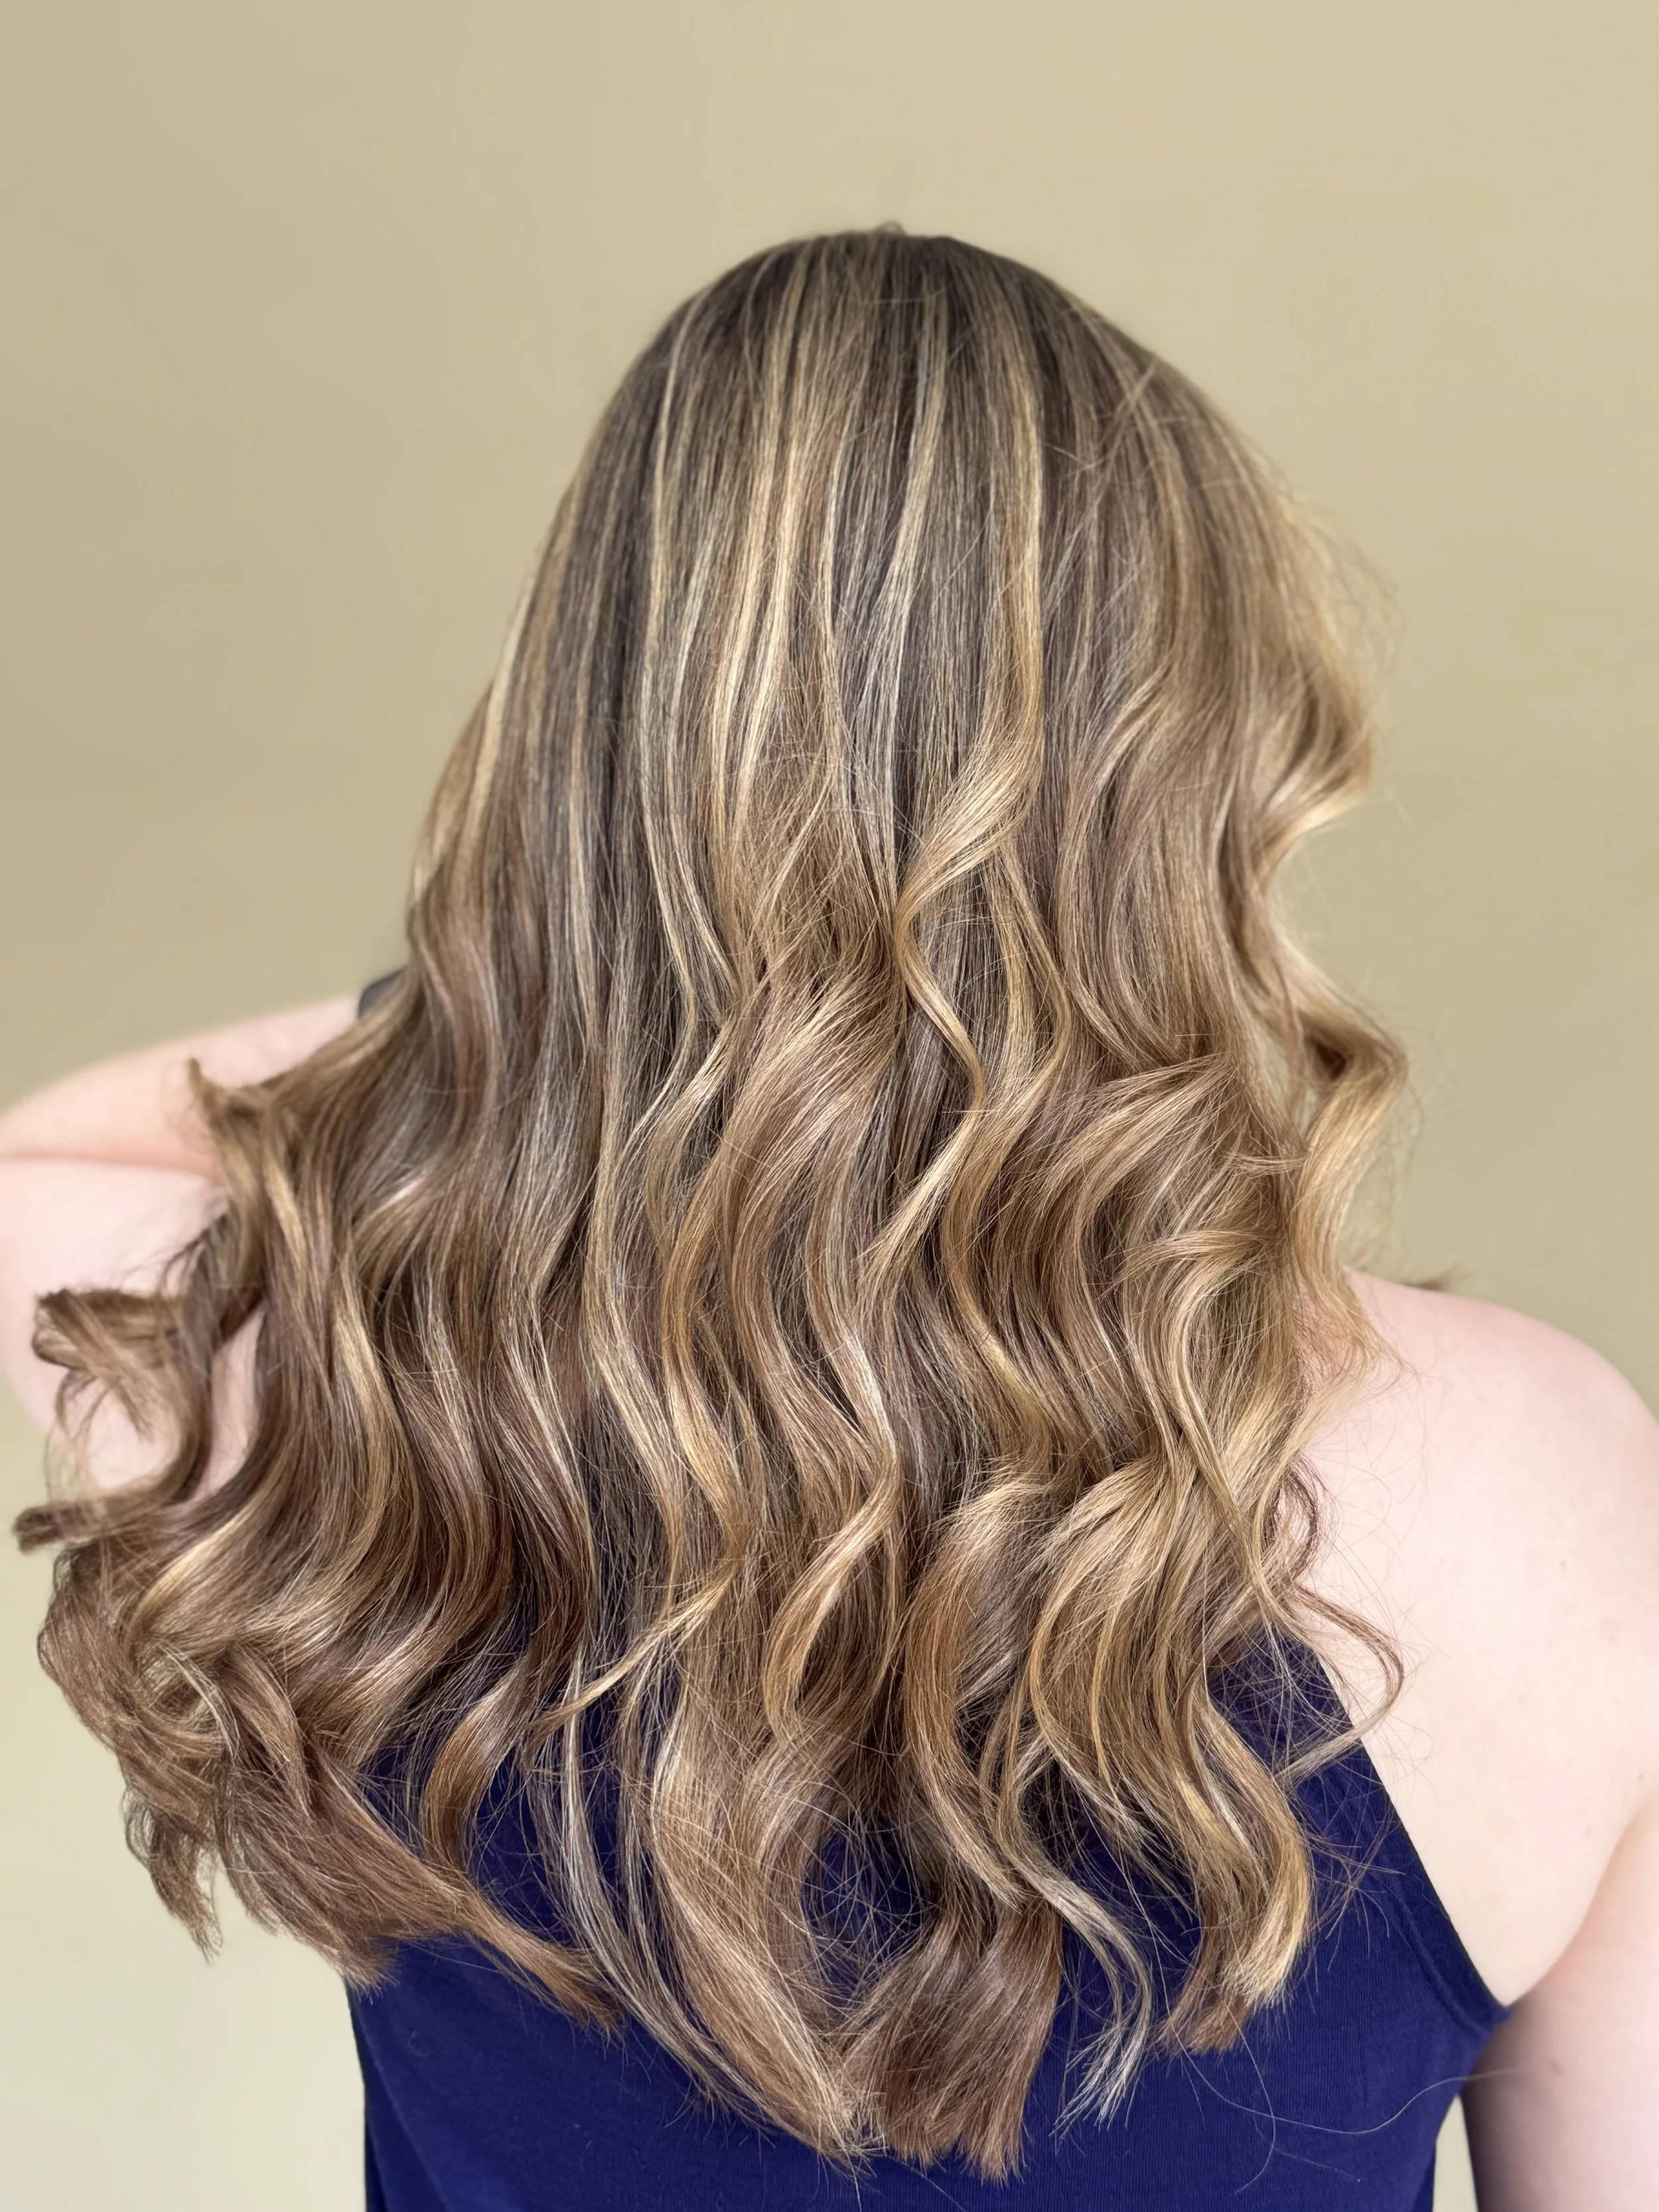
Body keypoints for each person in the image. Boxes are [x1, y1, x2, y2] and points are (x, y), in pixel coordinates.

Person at [1, 230, 1654, 2212]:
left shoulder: (329, 1384)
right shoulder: (1543, 1493)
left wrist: (550, 994)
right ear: (1203, 780)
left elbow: (47, 1163)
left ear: (582, 783)